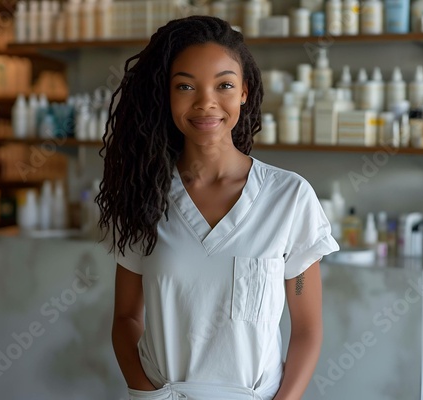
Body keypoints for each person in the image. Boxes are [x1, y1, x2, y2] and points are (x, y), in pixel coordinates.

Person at [96, 15, 339, 400]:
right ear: (166, 94)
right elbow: (125, 317)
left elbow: (307, 329)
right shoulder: (144, 195)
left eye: (224, 84)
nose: (205, 102)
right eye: (185, 86)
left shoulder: (289, 198)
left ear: (244, 91)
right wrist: (148, 393)